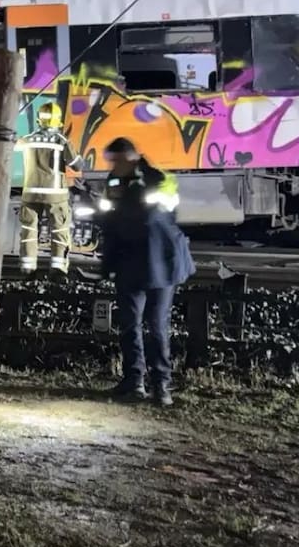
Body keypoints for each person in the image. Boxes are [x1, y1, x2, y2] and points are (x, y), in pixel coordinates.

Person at [99, 137, 195, 406]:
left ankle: (161, 385)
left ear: (130, 157)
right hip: (131, 262)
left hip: (160, 263)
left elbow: (153, 216)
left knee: (156, 326)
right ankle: (134, 380)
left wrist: (126, 204)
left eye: (116, 160)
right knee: (130, 324)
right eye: (111, 161)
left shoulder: (160, 179)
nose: (112, 166)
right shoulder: (114, 181)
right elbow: (110, 221)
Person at [16, 103, 83, 276]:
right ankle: (58, 269)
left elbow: (11, 147)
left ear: (39, 119)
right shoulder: (61, 141)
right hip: (56, 195)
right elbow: (77, 165)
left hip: (30, 193)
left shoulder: (28, 139)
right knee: (59, 229)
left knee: (29, 230)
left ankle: (27, 268)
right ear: (58, 120)